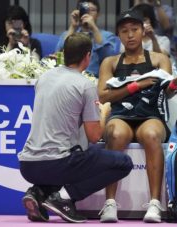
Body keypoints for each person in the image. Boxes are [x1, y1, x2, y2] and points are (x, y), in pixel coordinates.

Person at [18, 33, 133, 223]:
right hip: (58, 164)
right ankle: (64, 198)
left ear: (64, 53)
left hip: (28, 165)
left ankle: (38, 192)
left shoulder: (44, 78)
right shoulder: (84, 85)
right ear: (88, 56)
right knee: (123, 163)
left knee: (77, 153)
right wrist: (103, 112)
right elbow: (95, 136)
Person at [97, 9, 177, 223]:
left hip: (151, 116)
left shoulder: (159, 58)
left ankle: (155, 204)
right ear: (118, 35)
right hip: (121, 115)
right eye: (124, 31)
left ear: (143, 32)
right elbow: (103, 96)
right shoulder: (110, 62)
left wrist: (175, 84)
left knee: (150, 134)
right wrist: (136, 86)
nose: (130, 35)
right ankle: (109, 204)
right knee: (116, 133)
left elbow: (167, 91)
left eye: (134, 30)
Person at [55, 0, 119, 78]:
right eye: (84, 9)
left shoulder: (107, 36)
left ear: (98, 14)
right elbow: (58, 55)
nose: (88, 13)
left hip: (94, 79)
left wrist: (94, 29)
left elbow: (110, 59)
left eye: (92, 10)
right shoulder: (68, 33)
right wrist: (73, 26)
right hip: (68, 78)